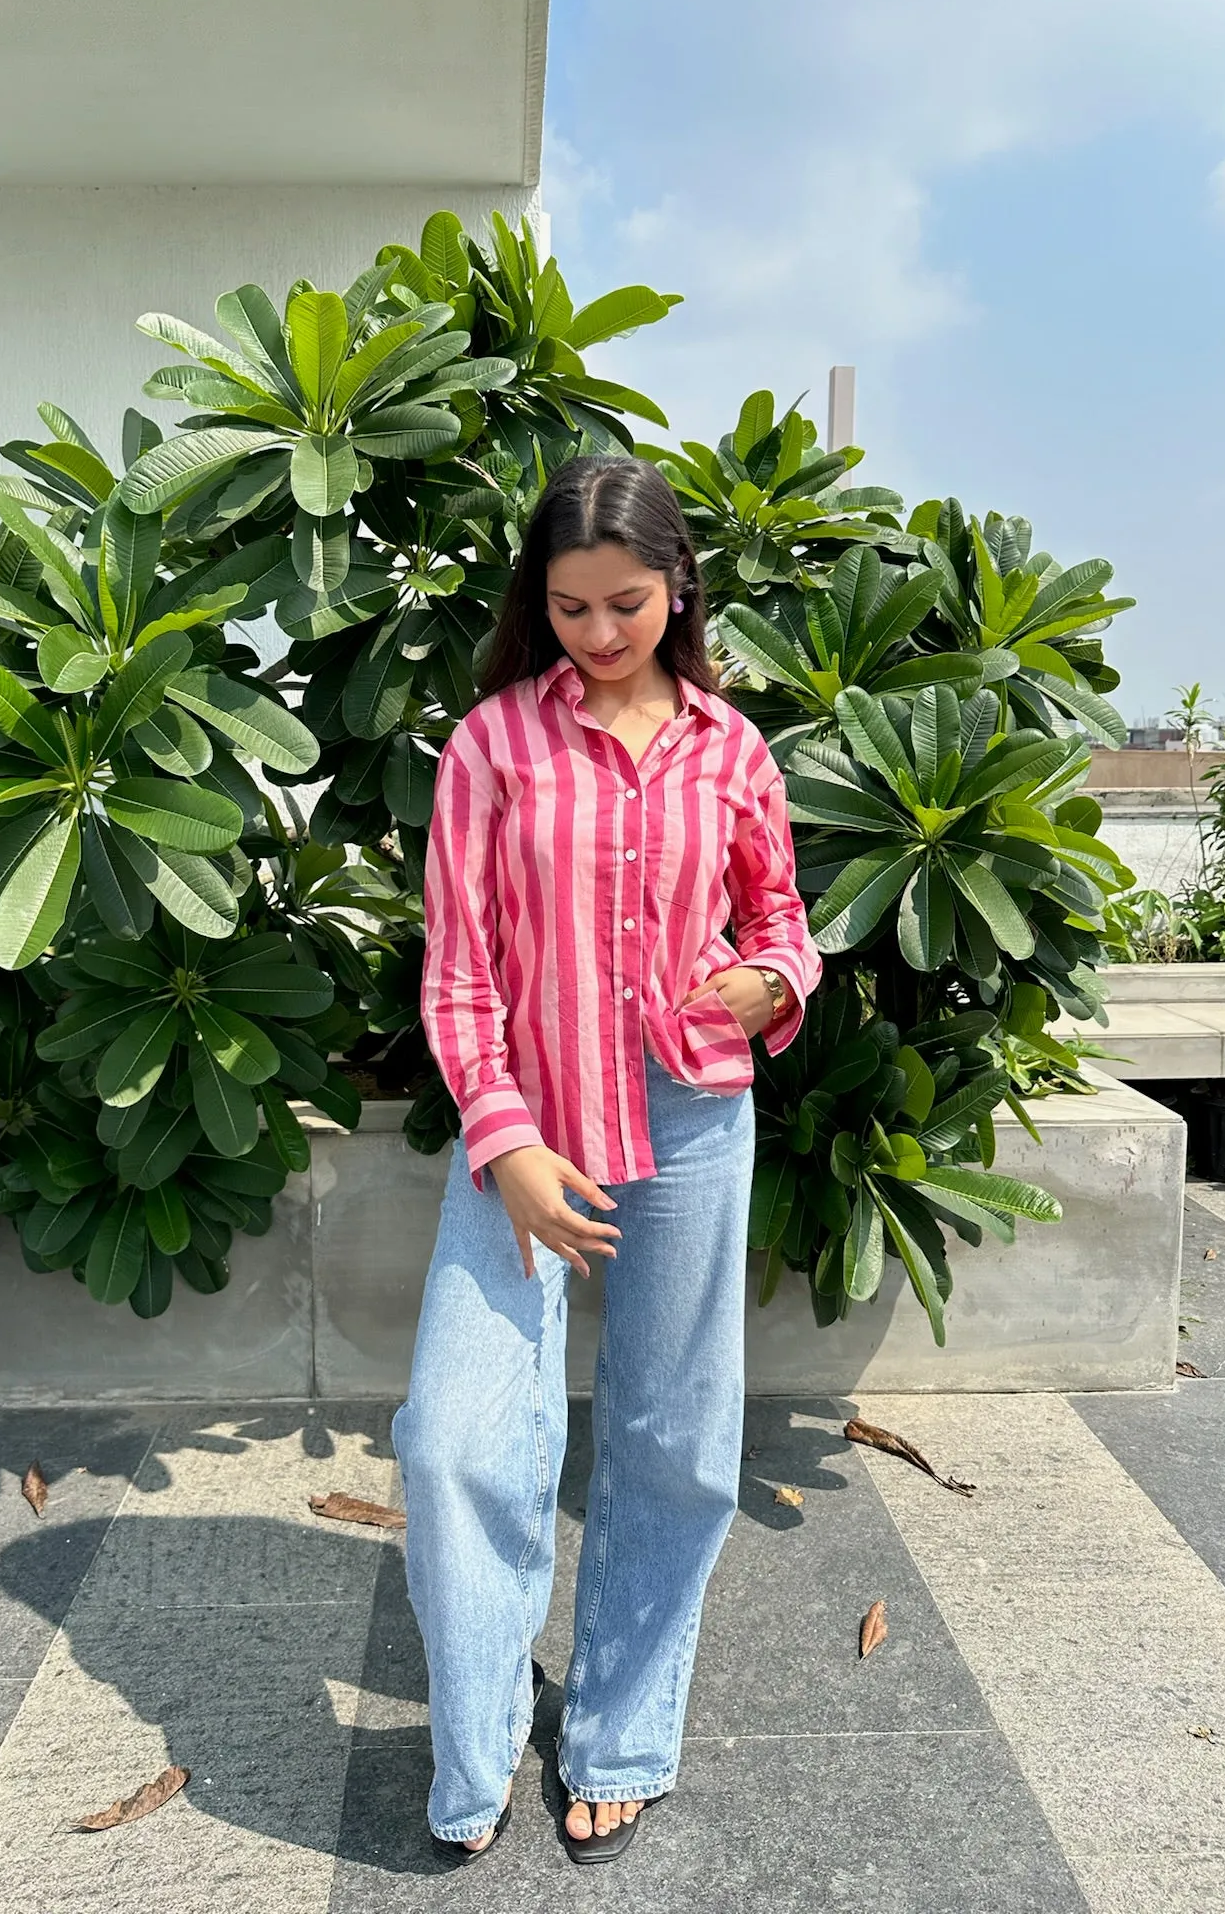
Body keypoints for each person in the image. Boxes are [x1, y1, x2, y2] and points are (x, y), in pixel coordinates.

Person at [391, 454, 821, 1868]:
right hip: (532, 1121)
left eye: (626, 603)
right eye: (569, 606)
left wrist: (769, 983)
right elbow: (458, 978)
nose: (598, 633)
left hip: (691, 1118)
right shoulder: (492, 748)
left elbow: (782, 923)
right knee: (457, 1436)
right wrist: (504, 1146)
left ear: (678, 585)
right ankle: (471, 1761)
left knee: (670, 1436)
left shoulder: (730, 749)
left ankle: (623, 1736)